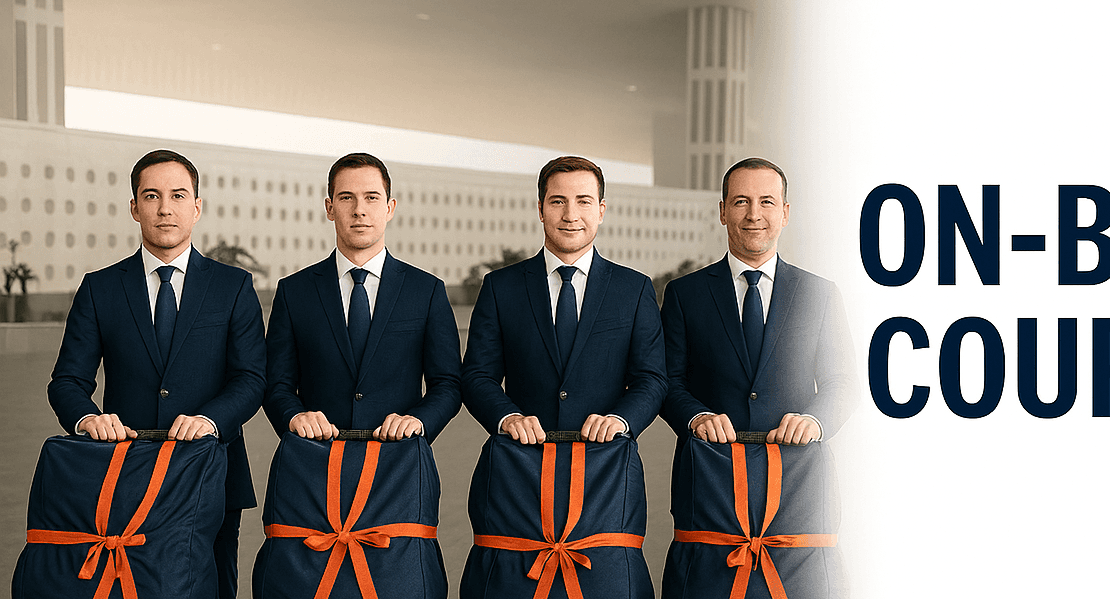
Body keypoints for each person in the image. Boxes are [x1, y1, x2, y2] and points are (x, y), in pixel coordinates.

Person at [47, 148, 266, 599]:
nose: (164, 208)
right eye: (152, 195)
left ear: (197, 206)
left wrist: (214, 420)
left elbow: (252, 378)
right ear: (133, 206)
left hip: (209, 475)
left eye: (177, 196)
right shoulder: (101, 287)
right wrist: (87, 417)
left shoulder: (232, 287)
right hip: (127, 478)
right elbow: (67, 381)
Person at [461, 155, 665, 441]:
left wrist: (621, 420)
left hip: (606, 459)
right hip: (522, 456)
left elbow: (651, 378)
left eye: (583, 201)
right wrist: (508, 417)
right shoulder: (500, 287)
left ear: (601, 210)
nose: (571, 215)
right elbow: (477, 376)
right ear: (541, 210)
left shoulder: (634, 289)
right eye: (558, 201)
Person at [264, 152, 461, 442]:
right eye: (346, 198)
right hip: (314, 459)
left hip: (400, 459)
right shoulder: (294, 291)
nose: (359, 210)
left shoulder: (426, 291)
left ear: (390, 208)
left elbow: (447, 384)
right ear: (329, 208)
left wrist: (418, 421)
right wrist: (294, 416)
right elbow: (275, 383)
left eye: (371, 198)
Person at [660, 157, 856, 443]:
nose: (754, 214)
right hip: (711, 466)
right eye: (741, 201)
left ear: (785, 213)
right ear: (723, 211)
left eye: (767, 202)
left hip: (796, 466)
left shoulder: (820, 294)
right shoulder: (684, 294)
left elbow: (843, 381)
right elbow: (667, 381)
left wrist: (815, 422)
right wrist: (697, 416)